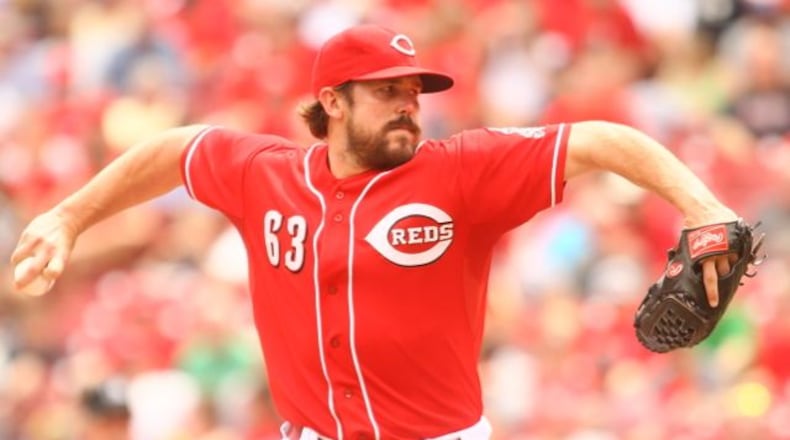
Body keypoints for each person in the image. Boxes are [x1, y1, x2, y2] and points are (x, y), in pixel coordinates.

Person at [11, 24, 740, 440]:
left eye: (414, 93)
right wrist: (69, 217)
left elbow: (601, 140)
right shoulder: (265, 173)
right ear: (332, 101)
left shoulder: (462, 173)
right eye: (388, 91)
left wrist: (703, 207)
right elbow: (177, 150)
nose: (409, 106)